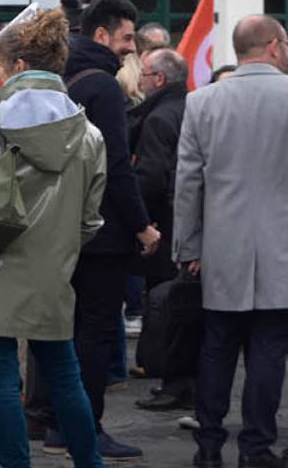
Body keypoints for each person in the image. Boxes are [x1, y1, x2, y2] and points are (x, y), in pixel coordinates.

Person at [0, 8, 107, 468]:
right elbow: (91, 218)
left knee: (0, 380)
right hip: (52, 270)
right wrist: (61, 251)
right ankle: (90, 461)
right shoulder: (89, 134)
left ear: (16, 66)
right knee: (64, 374)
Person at [44, 0, 157, 459]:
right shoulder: (104, 88)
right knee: (94, 333)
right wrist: (142, 226)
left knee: (65, 330)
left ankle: (56, 424)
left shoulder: (59, 79)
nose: (132, 47)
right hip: (101, 231)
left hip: (58, 224)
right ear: (102, 35)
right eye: (127, 37)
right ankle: (84, 428)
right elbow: (115, 165)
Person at [175, 16, 288, 468]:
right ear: (275, 47)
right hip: (281, 248)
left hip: (222, 247)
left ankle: (208, 446)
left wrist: (188, 247)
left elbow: (187, 183)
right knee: (268, 351)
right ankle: (256, 448)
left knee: (217, 346)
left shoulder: (202, 102)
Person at [128, 48, 191, 412]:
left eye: (145, 75)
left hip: (165, 224)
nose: (140, 81)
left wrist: (142, 222)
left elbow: (151, 176)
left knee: (166, 303)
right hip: (188, 220)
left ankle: (173, 382)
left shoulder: (157, 119)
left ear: (160, 80)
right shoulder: (193, 107)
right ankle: (183, 382)